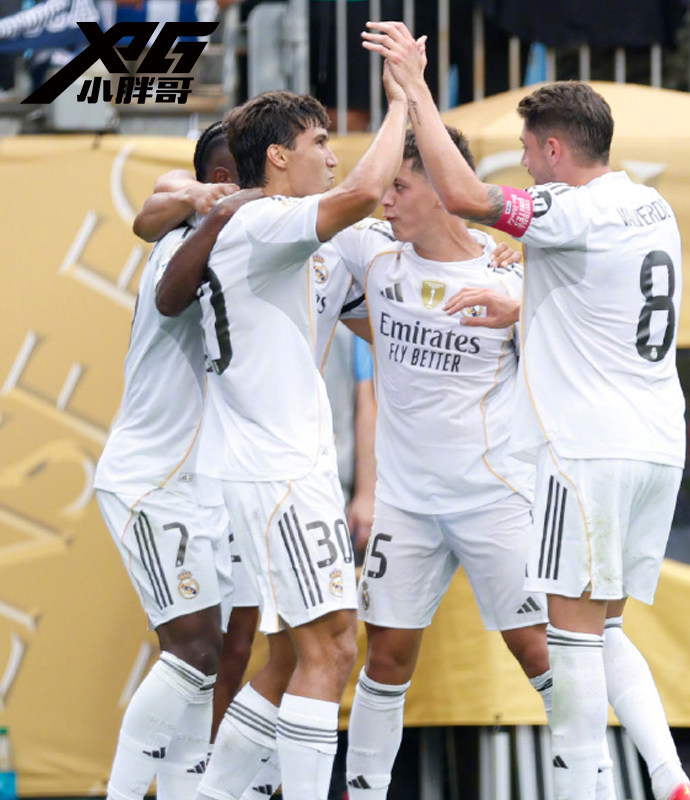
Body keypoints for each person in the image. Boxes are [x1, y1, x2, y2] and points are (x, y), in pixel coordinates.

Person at [362, 21, 690, 800]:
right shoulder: (651, 206)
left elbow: (466, 197)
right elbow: (604, 298)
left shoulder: (569, 210)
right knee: (606, 628)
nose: (522, 164)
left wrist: (414, 89)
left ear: (553, 150)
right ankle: (671, 778)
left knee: (569, 639)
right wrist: (524, 307)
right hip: (656, 446)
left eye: (525, 150)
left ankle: (585, 789)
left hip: (585, 450)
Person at [156, 77, 407, 800]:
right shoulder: (265, 220)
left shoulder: (282, 231)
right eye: (318, 142)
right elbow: (365, 192)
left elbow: (386, 312)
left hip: (276, 469)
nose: (331, 156)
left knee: (289, 658)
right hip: (277, 473)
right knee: (333, 648)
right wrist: (402, 101)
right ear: (276, 158)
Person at [324, 125, 553, 800]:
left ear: (444, 190)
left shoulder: (510, 273)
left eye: (400, 186)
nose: (385, 201)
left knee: (540, 653)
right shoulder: (370, 250)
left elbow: (567, 361)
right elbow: (280, 206)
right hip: (406, 504)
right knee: (386, 658)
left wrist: (523, 313)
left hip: (494, 499)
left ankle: (590, 784)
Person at [93, 127, 264, 800]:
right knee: (192, 652)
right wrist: (206, 201)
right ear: (224, 177)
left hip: (205, 483)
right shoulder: (184, 238)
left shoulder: (241, 240)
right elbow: (155, 207)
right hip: (152, 478)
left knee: (212, 658)